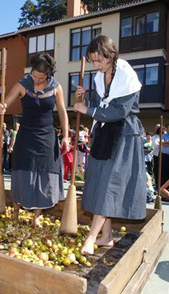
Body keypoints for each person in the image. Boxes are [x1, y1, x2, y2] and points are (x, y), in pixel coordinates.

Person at [73, 35, 146, 255]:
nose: (96, 65)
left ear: (110, 54)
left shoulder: (126, 75)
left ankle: (92, 237)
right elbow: (99, 105)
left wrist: (89, 110)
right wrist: (86, 99)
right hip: (104, 133)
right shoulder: (98, 78)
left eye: (99, 60)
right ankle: (106, 236)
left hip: (123, 136)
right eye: (93, 61)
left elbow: (120, 111)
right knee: (98, 182)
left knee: (108, 186)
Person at [0, 52, 69, 228]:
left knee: (44, 172)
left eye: (40, 78)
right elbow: (6, 102)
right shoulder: (23, 84)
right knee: (22, 170)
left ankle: (37, 215)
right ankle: (15, 211)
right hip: (26, 136)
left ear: (48, 75)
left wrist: (66, 136)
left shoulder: (56, 87)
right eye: (34, 76)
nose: (36, 80)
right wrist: (2, 106)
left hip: (46, 136)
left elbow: (62, 112)